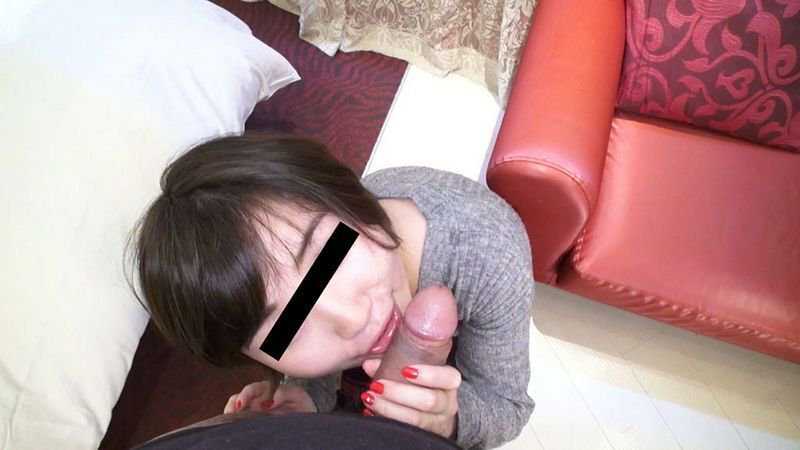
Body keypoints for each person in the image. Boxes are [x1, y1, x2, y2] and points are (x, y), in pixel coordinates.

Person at [129, 132, 535, 449]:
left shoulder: (486, 251)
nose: (351, 318)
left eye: (330, 257)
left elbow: (507, 406)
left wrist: (448, 420)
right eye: (289, 327)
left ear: (352, 202)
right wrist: (309, 400)